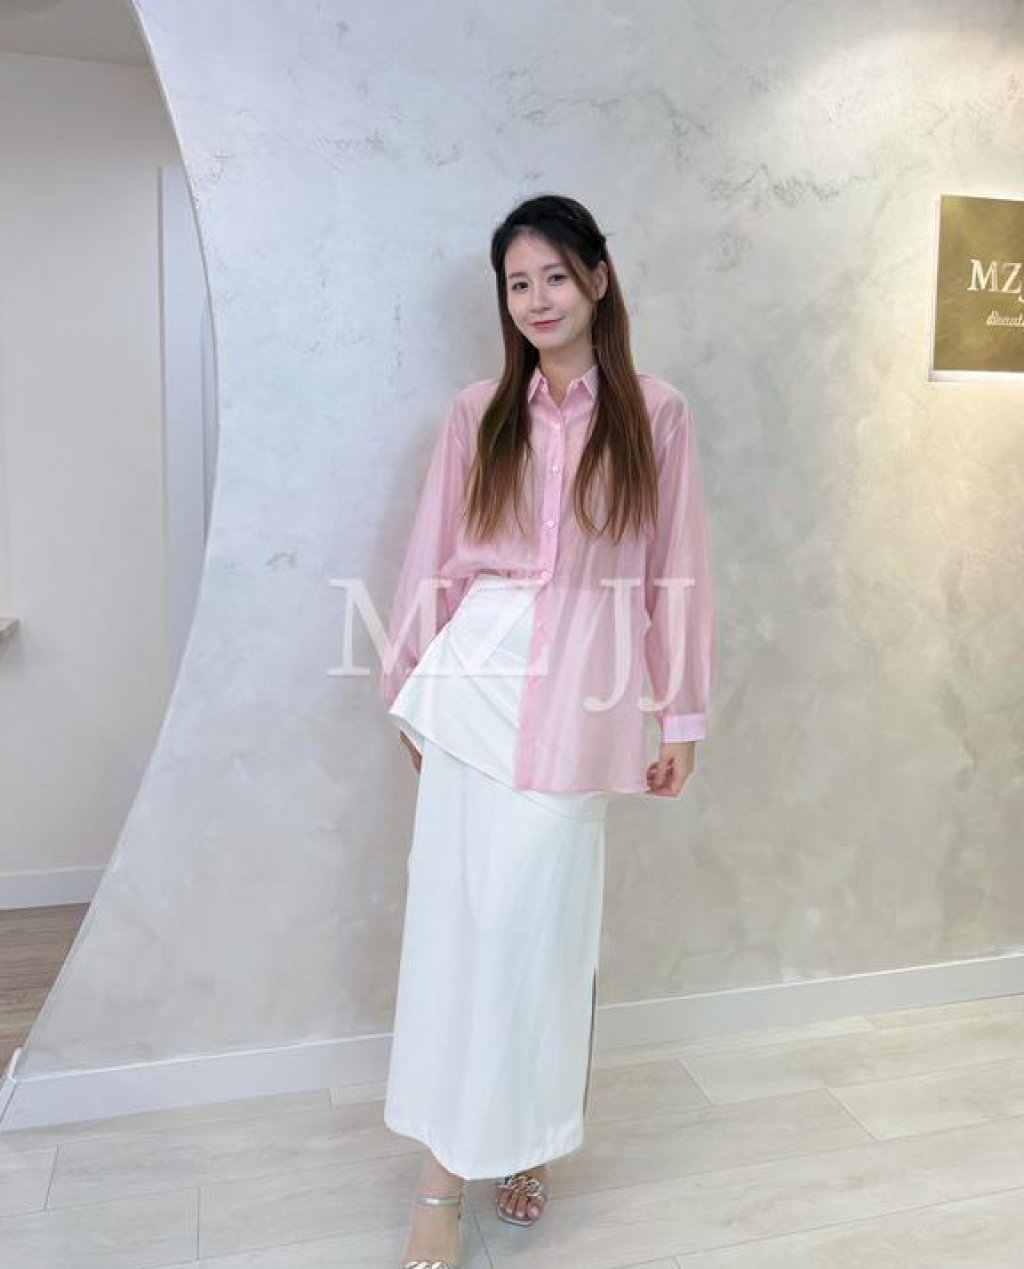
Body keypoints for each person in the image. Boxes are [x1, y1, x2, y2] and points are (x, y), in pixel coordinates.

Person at [377, 193, 717, 1269]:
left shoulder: (655, 413)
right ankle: (440, 1184)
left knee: (539, 936)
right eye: (517, 282)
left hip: (585, 697)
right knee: (456, 934)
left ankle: (526, 1139)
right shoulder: (477, 411)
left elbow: (675, 570)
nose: (536, 299)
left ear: (598, 281)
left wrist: (681, 710)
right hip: (470, 686)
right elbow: (434, 554)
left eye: (555, 276)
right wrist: (408, 684)